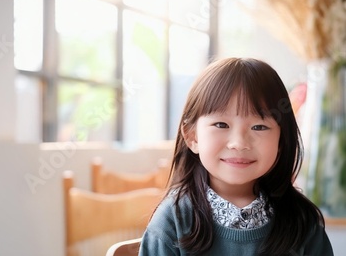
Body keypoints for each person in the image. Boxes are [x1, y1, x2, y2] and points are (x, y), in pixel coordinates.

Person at [139, 57, 334, 255]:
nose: (239, 143)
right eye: (221, 125)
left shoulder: (302, 220)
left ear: (281, 141)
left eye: (259, 126)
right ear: (192, 136)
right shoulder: (173, 220)